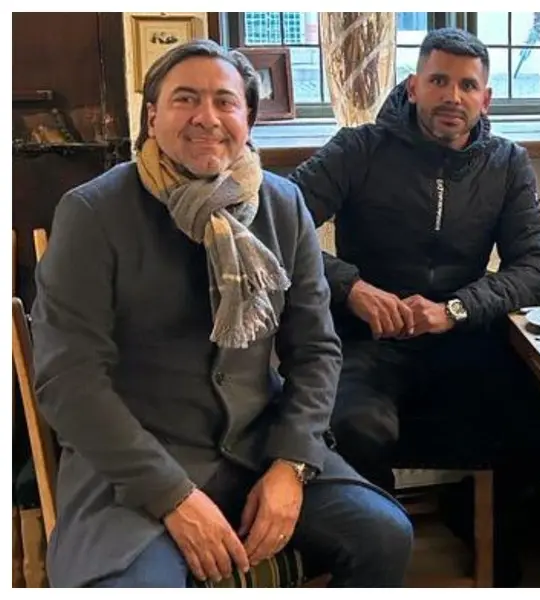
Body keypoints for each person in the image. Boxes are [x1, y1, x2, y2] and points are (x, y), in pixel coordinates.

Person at [30, 40, 413, 587]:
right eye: (185, 99)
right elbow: (69, 379)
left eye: (225, 102)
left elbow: (317, 349)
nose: (206, 117)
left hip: (262, 449)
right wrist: (172, 494)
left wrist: (292, 463)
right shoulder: (93, 212)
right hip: (134, 466)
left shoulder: (283, 205)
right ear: (152, 115)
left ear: (248, 119)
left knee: (384, 536)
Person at [288, 28, 540, 585]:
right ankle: (379, 547)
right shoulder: (357, 147)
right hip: (369, 338)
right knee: (352, 427)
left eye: (468, 85)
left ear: (485, 99)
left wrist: (455, 310)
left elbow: (534, 268)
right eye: (439, 80)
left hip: (464, 338)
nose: (453, 96)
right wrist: (351, 286)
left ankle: (476, 515)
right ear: (413, 86)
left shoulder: (507, 162)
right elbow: (276, 226)